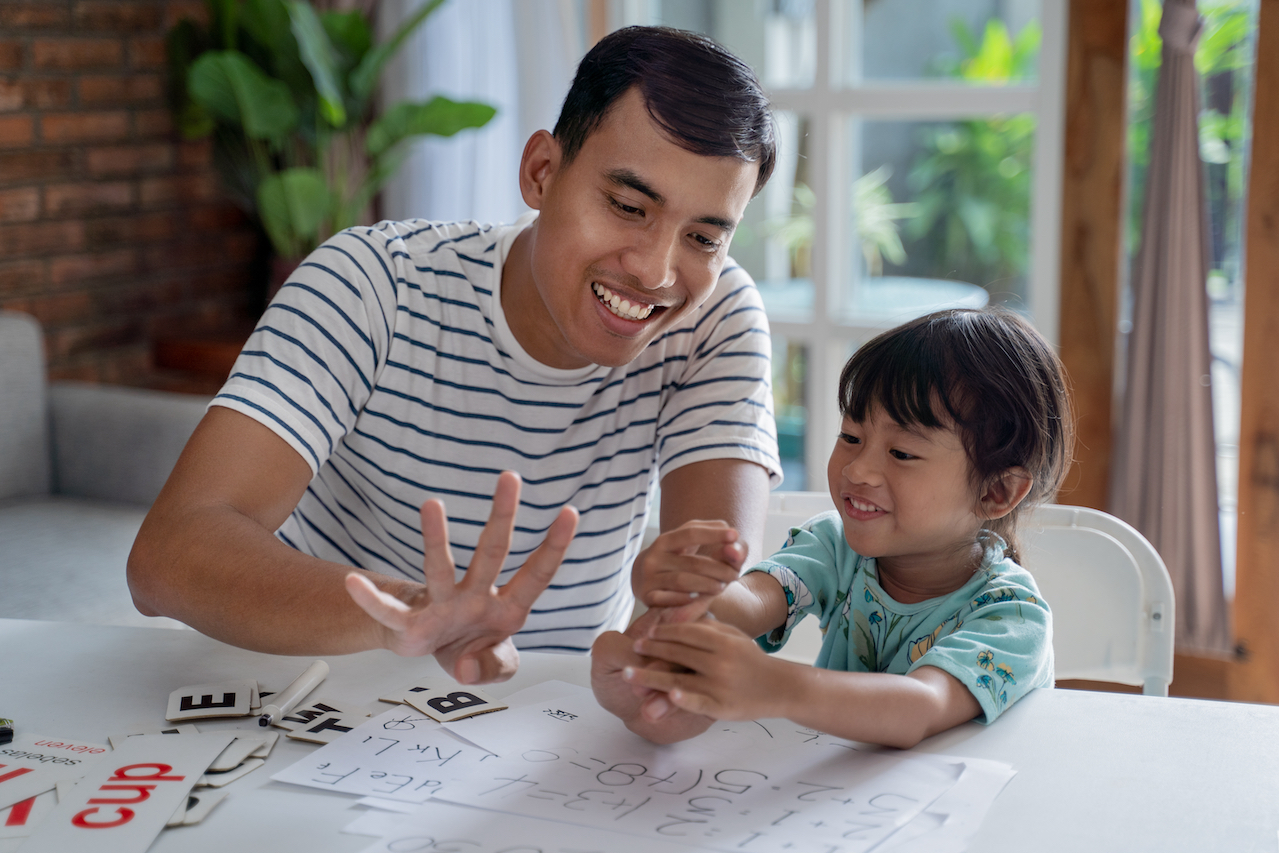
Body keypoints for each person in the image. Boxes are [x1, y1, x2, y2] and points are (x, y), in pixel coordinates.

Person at [127, 26, 781, 685]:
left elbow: (703, 605)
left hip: (556, 732)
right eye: (627, 205)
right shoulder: (373, 284)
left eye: (701, 236)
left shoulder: (714, 318)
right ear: (541, 173)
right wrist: (408, 614)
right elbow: (170, 554)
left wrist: (679, 641)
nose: (655, 270)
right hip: (322, 701)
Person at [593, 307, 1075, 748]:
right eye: (850, 436)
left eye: (902, 453)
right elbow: (750, 603)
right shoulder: (836, 546)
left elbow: (920, 707)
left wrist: (778, 686)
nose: (857, 470)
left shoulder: (1012, 617)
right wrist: (690, 587)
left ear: (996, 493)